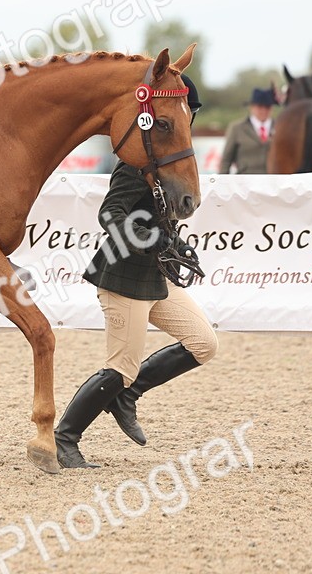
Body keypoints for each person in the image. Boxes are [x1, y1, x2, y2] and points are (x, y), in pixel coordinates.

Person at [54, 74, 218, 469]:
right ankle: (65, 438)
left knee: (204, 342)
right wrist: (149, 239)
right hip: (124, 277)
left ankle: (127, 395)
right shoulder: (136, 162)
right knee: (120, 366)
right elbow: (110, 213)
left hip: (154, 277)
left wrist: (172, 243)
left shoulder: (167, 163)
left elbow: (161, 216)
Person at [219, 87, 278, 174]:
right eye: (260, 106)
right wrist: (222, 183)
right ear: (252, 107)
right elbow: (226, 160)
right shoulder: (237, 128)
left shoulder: (280, 128)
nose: (264, 110)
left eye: (267, 107)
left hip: (274, 181)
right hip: (245, 181)